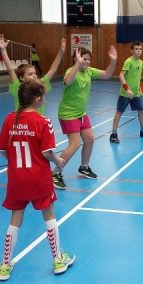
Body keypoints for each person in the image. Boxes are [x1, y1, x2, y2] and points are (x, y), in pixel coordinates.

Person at [0, 79, 75, 281]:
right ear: (38, 99)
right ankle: (58, 260)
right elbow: (47, 152)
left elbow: (2, 149)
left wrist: (14, 162)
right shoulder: (43, 122)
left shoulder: (9, 119)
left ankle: (5, 265)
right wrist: (58, 161)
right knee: (49, 215)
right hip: (39, 178)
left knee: (15, 219)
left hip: (17, 179)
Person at [0, 34, 67, 189]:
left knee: (41, 154)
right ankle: (30, 179)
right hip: (23, 127)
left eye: (35, 73)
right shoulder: (17, 86)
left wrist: (61, 52)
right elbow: (10, 69)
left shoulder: (41, 85)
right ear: (21, 78)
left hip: (38, 127)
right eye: (30, 74)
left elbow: (53, 69)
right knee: (30, 155)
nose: (34, 76)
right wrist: (3, 50)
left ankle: (41, 179)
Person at [54, 46, 117, 185]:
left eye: (89, 59)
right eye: (84, 59)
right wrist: (77, 64)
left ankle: (84, 167)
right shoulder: (71, 71)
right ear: (76, 59)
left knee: (89, 139)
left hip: (81, 113)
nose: (87, 62)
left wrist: (113, 61)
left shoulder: (89, 71)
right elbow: (67, 81)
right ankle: (56, 173)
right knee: (75, 144)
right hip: (68, 114)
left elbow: (107, 74)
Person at [109, 41, 143, 144]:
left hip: (135, 93)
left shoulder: (141, 62)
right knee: (119, 112)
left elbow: (137, 77)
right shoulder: (128, 61)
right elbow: (121, 75)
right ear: (131, 50)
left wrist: (139, 88)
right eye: (136, 49)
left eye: (140, 49)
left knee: (141, 111)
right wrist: (127, 89)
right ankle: (113, 134)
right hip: (125, 93)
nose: (139, 51)